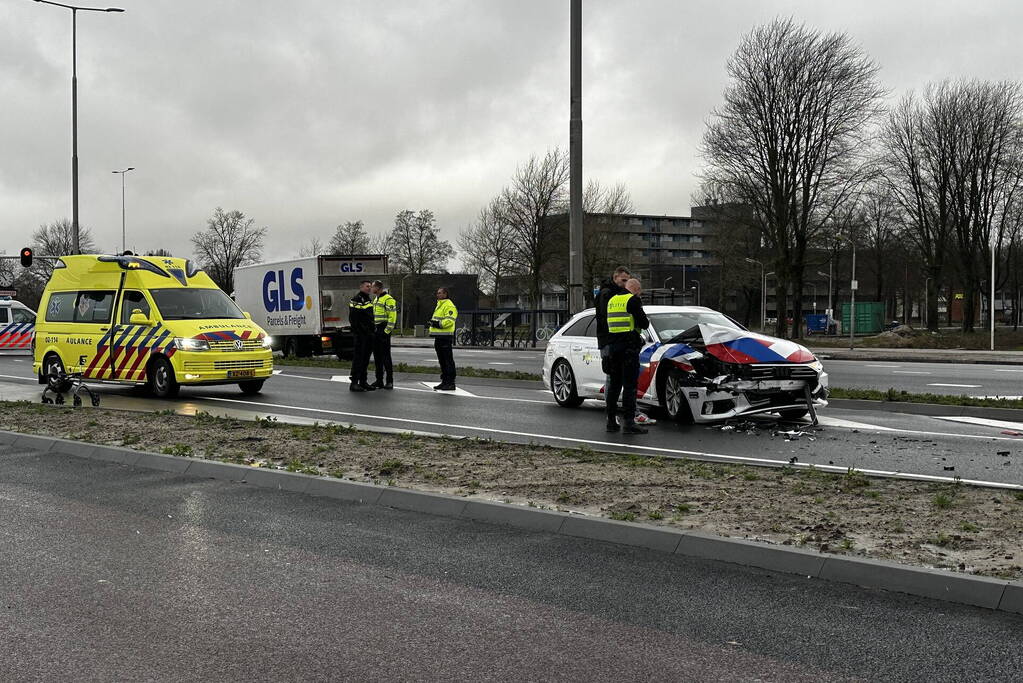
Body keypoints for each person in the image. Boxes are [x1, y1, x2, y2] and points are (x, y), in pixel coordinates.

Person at [597, 272, 649, 434]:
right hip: (629, 348)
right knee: (629, 387)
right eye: (639, 292)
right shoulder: (632, 300)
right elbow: (644, 323)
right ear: (636, 289)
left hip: (613, 348)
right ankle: (629, 423)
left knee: (613, 386)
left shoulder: (612, 301)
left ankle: (611, 422)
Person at [348, 280, 376, 392]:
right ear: (361, 287)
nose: (369, 288)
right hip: (361, 334)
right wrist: (360, 331)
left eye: (370, 286)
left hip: (369, 334)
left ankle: (363, 382)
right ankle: (354, 382)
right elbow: (354, 318)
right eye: (367, 286)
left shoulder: (368, 299)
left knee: (365, 359)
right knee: (358, 358)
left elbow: (369, 317)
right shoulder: (357, 299)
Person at [429, 287, 458, 391]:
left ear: (445, 294)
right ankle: (445, 381)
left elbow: (450, 321)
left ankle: (451, 383)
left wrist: (437, 324)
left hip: (445, 337)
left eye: (440, 293)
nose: (438, 295)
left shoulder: (449, 305)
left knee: (448, 361)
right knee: (442, 361)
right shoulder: (439, 305)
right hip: (439, 337)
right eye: (437, 293)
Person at [370, 280, 396, 390]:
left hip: (383, 329)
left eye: (372, 287)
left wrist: (386, 331)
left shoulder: (388, 299)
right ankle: (379, 380)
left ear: (378, 288)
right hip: (376, 330)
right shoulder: (376, 299)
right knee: (377, 356)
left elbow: (392, 316)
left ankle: (389, 381)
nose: (371, 289)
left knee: (386, 357)